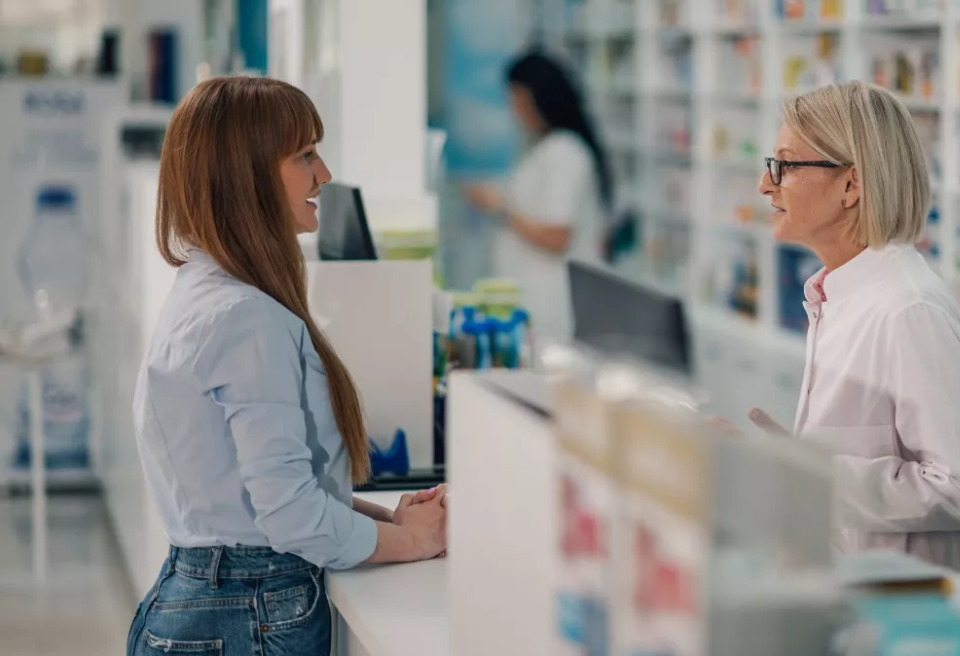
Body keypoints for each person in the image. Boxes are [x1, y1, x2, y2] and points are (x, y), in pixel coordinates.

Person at [126, 76, 448, 656]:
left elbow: (255, 499)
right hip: (247, 612)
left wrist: (388, 522)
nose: (323, 174)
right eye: (305, 155)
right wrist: (412, 545)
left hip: (206, 603)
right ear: (247, 174)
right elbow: (290, 518)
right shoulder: (246, 319)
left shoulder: (209, 291)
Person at [757, 81, 960, 600]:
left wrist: (809, 475)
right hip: (867, 595)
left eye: (785, 166)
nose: (765, 185)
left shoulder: (908, 310)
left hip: (938, 619)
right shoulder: (838, 294)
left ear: (852, 185)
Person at [463, 51, 613, 343]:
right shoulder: (544, 148)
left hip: (549, 307)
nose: (515, 110)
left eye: (519, 100)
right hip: (530, 304)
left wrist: (500, 208)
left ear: (541, 98)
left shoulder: (565, 152)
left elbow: (557, 236)